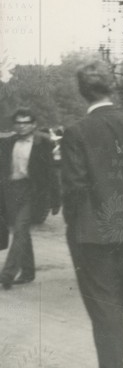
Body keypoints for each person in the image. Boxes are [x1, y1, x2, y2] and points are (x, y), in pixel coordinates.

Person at [61, 62, 123, 368]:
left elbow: (74, 189)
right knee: (113, 304)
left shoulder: (76, 132)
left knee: (103, 307)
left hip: (91, 234)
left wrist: (74, 225)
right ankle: (117, 361)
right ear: (110, 87)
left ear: (82, 92)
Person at [0, 107, 60, 289]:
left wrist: (56, 199)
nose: (22, 126)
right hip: (11, 191)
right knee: (22, 232)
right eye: (18, 122)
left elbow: (51, 173)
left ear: (34, 125)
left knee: (20, 230)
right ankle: (28, 272)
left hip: (32, 192)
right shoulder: (7, 142)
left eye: (26, 122)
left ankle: (7, 274)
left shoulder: (44, 143)